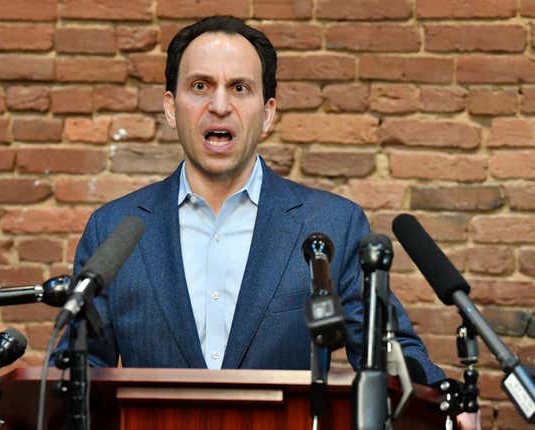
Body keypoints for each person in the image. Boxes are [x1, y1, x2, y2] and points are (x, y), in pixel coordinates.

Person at [64, 16, 479, 428]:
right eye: (200, 86)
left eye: (239, 88)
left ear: (267, 114)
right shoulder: (113, 229)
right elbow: (76, 374)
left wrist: (441, 404)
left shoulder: (332, 225)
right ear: (171, 108)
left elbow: (388, 350)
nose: (220, 105)